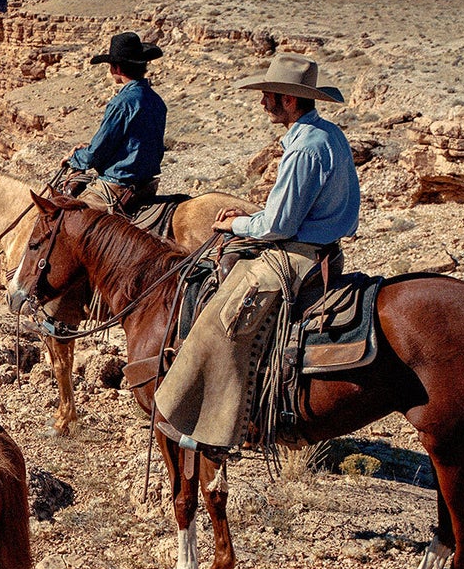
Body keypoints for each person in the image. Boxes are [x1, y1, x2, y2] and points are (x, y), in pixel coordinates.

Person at [154, 53, 359, 457]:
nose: (263, 103)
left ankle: (214, 428)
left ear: (290, 100)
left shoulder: (304, 150)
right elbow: (288, 210)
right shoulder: (327, 134)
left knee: (222, 319)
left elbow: (280, 225)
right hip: (318, 246)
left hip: (297, 255)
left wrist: (237, 225)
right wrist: (253, 216)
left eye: (269, 95)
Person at [59, 31, 167, 215]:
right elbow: (135, 143)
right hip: (146, 185)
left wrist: (74, 158)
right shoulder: (156, 100)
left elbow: (96, 153)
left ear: (116, 68)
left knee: (66, 218)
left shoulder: (122, 103)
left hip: (118, 185)